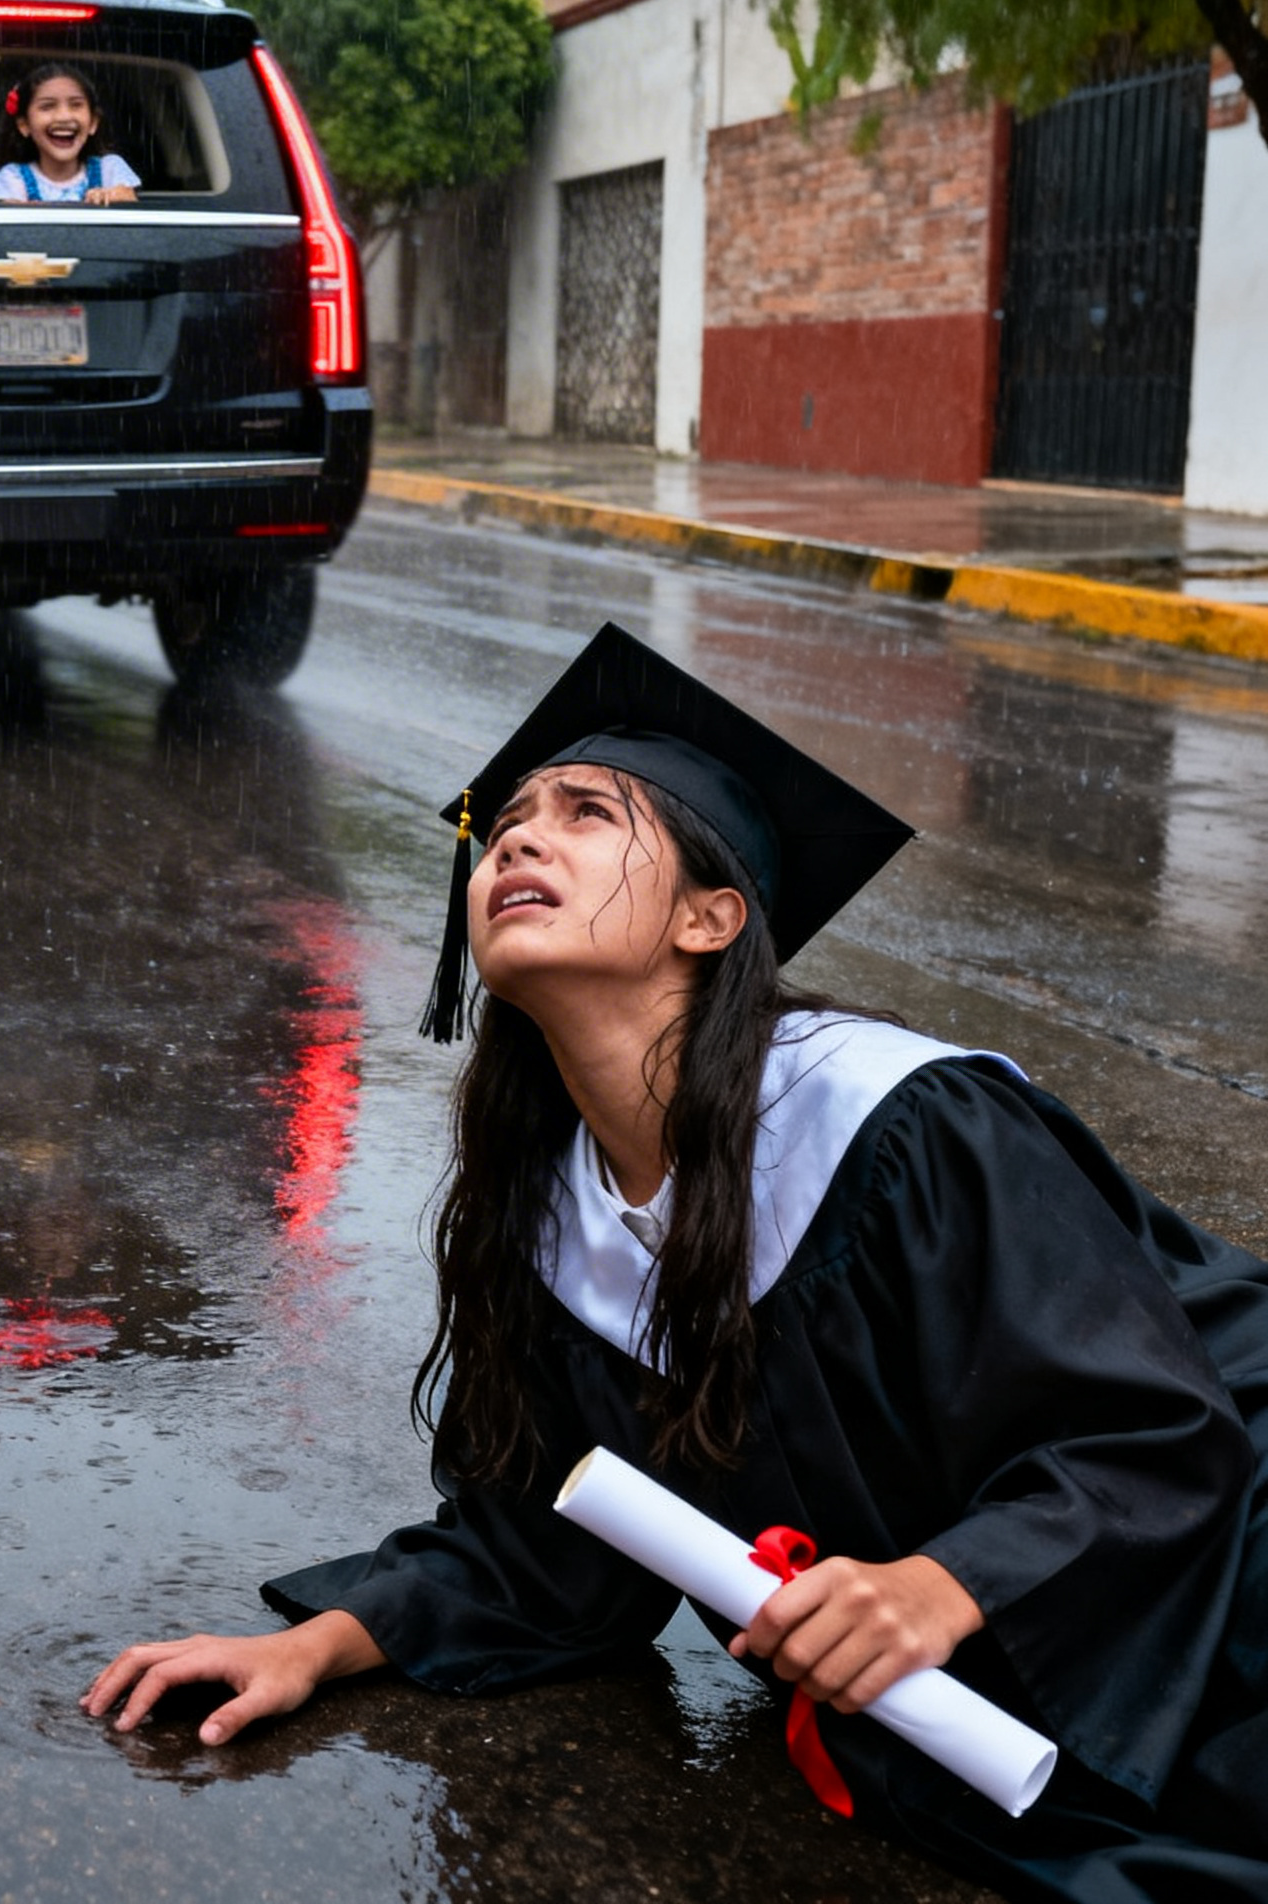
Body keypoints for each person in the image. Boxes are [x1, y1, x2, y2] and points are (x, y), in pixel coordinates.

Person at [84, 622, 1268, 1904]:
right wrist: (311, 1646)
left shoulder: (903, 1124)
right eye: (508, 823)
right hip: (966, 1672)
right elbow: (545, 1542)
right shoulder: (555, 1210)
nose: (516, 840)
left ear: (713, 916)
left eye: (585, 812)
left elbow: (1149, 1432)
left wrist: (940, 1586)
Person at [0, 64, 140, 205]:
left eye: (76, 105)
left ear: (93, 123)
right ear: (24, 125)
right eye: (47, 106)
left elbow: (127, 198)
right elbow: (12, 225)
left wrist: (111, 196)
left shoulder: (109, 168)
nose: (64, 116)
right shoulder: (14, 177)